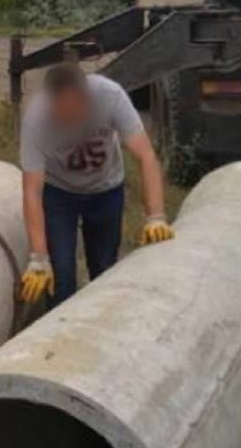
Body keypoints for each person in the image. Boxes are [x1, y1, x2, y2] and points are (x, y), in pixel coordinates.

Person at [17, 64, 174, 305]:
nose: (66, 118)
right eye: (59, 112)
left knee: (104, 269)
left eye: (72, 111)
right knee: (60, 275)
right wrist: (38, 257)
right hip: (59, 192)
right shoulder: (36, 120)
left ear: (86, 99)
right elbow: (32, 192)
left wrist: (156, 216)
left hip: (105, 190)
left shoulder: (111, 97)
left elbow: (145, 156)